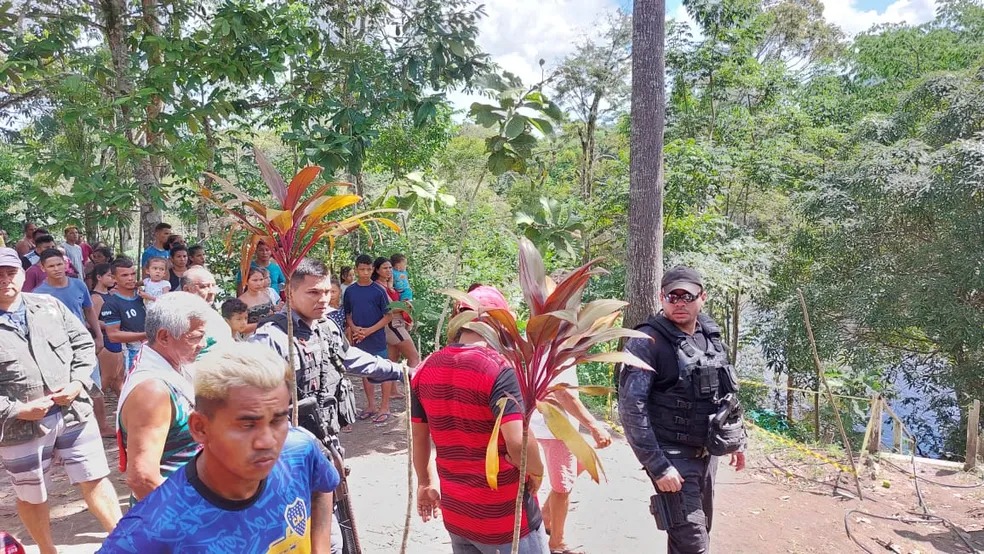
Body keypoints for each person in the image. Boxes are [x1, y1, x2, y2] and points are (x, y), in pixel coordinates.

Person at [99, 342, 340, 552]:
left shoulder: (299, 449)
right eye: (247, 425)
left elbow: (322, 488)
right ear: (200, 428)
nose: (267, 441)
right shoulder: (150, 530)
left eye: (278, 420)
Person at [251, 257, 405, 554]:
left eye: (325, 291)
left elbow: (352, 360)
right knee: (310, 537)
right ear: (289, 292)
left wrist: (400, 372)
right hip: (286, 457)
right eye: (313, 293)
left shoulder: (327, 328)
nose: (323, 299)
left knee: (335, 529)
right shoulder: (269, 339)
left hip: (327, 446)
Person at [0, 247, 122, 554]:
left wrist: (78, 382)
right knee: (31, 494)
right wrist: (16, 409)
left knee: (94, 477)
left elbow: (82, 343)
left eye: (10, 272)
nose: (4, 280)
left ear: (21, 273)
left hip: (73, 413)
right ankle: (47, 549)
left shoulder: (48, 306)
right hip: (19, 427)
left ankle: (126, 542)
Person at [619, 266, 748, 554]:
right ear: (661, 298)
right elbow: (630, 410)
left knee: (695, 534)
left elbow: (726, 393)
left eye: (687, 296)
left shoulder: (709, 335)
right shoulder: (645, 343)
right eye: (672, 296)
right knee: (694, 544)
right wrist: (658, 465)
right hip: (672, 458)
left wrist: (736, 439)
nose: (679, 303)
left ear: (702, 297)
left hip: (707, 455)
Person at [411, 284, 548, 554]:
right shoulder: (498, 368)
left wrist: (425, 483)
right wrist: (537, 470)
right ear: (500, 323)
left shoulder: (426, 368)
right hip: (504, 518)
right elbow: (517, 443)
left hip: (458, 513)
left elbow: (420, 437)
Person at [116, 292, 213, 502]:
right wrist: (190, 519)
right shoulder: (153, 392)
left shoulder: (174, 366)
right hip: (176, 513)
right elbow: (142, 479)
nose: (203, 344)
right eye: (195, 337)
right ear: (164, 337)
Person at [529, 361, 612, 554]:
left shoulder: (549, 343)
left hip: (544, 422)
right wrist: (594, 426)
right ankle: (557, 543)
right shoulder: (560, 350)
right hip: (555, 427)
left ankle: (547, 516)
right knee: (563, 485)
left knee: (582, 462)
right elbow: (563, 394)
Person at [33, 249, 113, 438]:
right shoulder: (38, 294)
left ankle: (102, 425)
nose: (56, 269)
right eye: (51, 266)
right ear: (43, 268)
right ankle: (69, 429)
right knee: (64, 388)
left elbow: (89, 311)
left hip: (83, 344)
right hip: (57, 349)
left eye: (59, 264)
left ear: (66, 263)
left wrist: (99, 337)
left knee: (94, 385)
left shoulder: (78, 285)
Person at [344, 255, 394, 423]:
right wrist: (354, 328)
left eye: (368, 269)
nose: (365, 273)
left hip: (376, 336)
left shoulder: (379, 290)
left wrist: (369, 330)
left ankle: (385, 406)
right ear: (356, 269)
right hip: (360, 337)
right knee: (365, 371)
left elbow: (388, 316)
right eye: (361, 269)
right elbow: (348, 315)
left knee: (384, 370)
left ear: (373, 269)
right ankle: (371, 405)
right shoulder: (350, 291)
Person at [374, 257, 419, 399]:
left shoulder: (389, 285)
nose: (388, 271)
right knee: (414, 357)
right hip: (393, 325)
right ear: (377, 270)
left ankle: (393, 391)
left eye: (389, 268)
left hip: (397, 323)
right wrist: (407, 306)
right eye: (385, 268)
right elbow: (388, 309)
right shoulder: (378, 287)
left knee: (393, 359)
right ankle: (414, 394)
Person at [100, 257, 148, 373]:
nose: (131, 278)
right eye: (125, 275)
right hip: (132, 353)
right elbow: (113, 335)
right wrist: (146, 335)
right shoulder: (111, 304)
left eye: (133, 274)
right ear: (114, 278)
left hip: (153, 350)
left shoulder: (145, 298)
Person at [90, 263, 125, 394]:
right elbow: (90, 322)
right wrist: (110, 325)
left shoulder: (111, 295)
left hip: (116, 340)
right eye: (109, 276)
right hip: (105, 341)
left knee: (118, 380)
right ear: (99, 277)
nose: (112, 279)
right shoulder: (96, 298)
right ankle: (93, 410)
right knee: (105, 379)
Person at [238, 266, 276, 335]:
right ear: (246, 281)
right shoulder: (241, 302)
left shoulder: (266, 295)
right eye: (255, 280)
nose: (259, 283)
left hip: (270, 334)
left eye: (261, 279)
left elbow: (273, 313)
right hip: (251, 338)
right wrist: (263, 322)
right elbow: (241, 328)